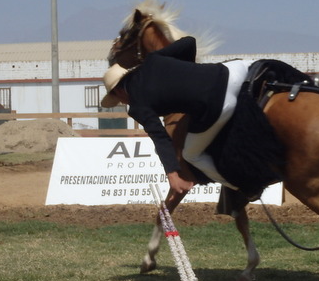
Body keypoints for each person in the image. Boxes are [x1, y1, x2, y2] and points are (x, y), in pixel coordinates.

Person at [102, 36, 253, 195]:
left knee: (191, 155)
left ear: (118, 91)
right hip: (237, 69)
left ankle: (243, 187)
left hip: (218, 100)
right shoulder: (152, 59)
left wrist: (172, 175)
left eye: (117, 99)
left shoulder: (137, 105)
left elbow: (160, 137)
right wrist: (189, 71)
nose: (122, 102)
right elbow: (189, 41)